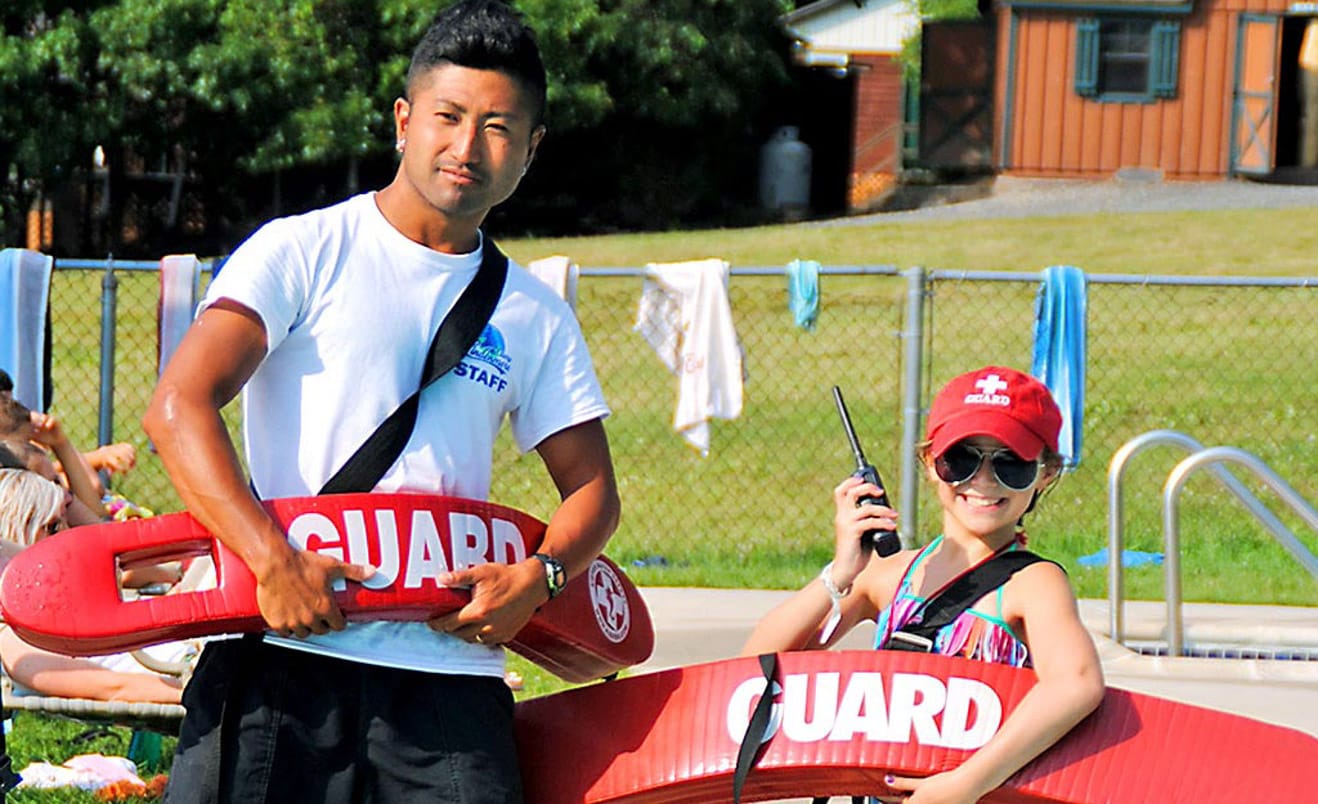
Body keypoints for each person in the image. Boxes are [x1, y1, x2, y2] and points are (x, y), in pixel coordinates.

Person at [142, 1, 618, 801]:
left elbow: (594, 492)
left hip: (449, 681)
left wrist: (540, 578)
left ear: (531, 148)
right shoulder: (302, 250)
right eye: (448, 116)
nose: (466, 148)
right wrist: (271, 561)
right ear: (404, 121)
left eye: (498, 128)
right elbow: (178, 406)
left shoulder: (534, 313)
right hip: (282, 652)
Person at [742, 366, 1104, 804]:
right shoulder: (888, 574)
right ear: (931, 463)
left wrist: (965, 784)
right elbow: (754, 668)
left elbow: (1076, 682)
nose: (983, 480)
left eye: (1011, 463)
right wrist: (840, 572)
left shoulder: (1033, 584)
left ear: (1046, 472)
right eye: (962, 459)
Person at [0, 468, 188, 704]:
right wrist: (206, 694)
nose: (67, 535)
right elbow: (115, 688)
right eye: (53, 527)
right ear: (16, 533)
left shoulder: (64, 606)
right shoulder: (18, 643)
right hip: (198, 675)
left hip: (198, 656)